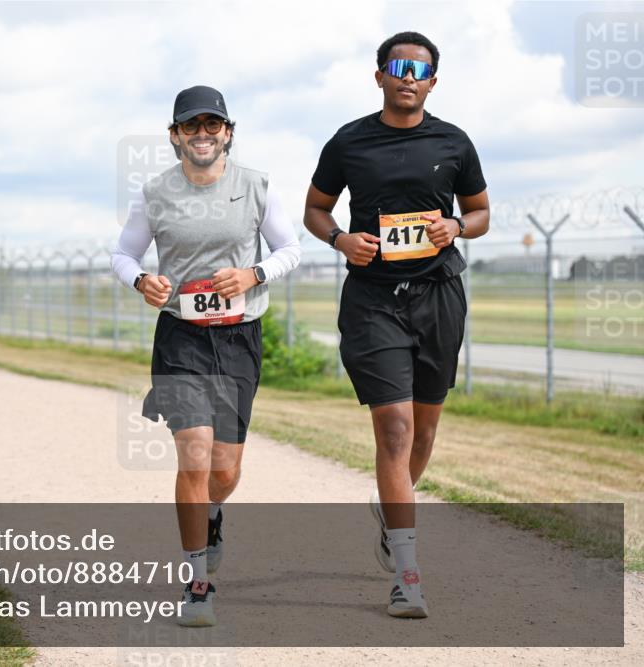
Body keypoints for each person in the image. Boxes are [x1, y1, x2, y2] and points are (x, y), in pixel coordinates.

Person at [304, 32, 490, 619]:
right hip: (373, 301)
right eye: (399, 66)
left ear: (433, 82)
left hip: (437, 298)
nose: (409, 75)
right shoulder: (350, 141)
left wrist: (456, 227)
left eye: (421, 69)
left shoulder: (454, 142)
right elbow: (315, 208)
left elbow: (482, 212)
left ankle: (392, 511)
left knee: (425, 434)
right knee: (394, 428)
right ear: (380, 74)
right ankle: (407, 576)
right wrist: (340, 239)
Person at [111, 85, 300, 627]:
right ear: (174, 136)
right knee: (193, 453)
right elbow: (122, 253)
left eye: (212, 125)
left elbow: (289, 249)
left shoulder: (257, 186)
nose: (202, 134)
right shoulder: (154, 193)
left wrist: (253, 274)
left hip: (239, 337)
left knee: (224, 470)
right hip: (181, 336)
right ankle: (198, 583)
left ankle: (213, 516)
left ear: (228, 133)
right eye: (190, 126)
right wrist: (141, 279)